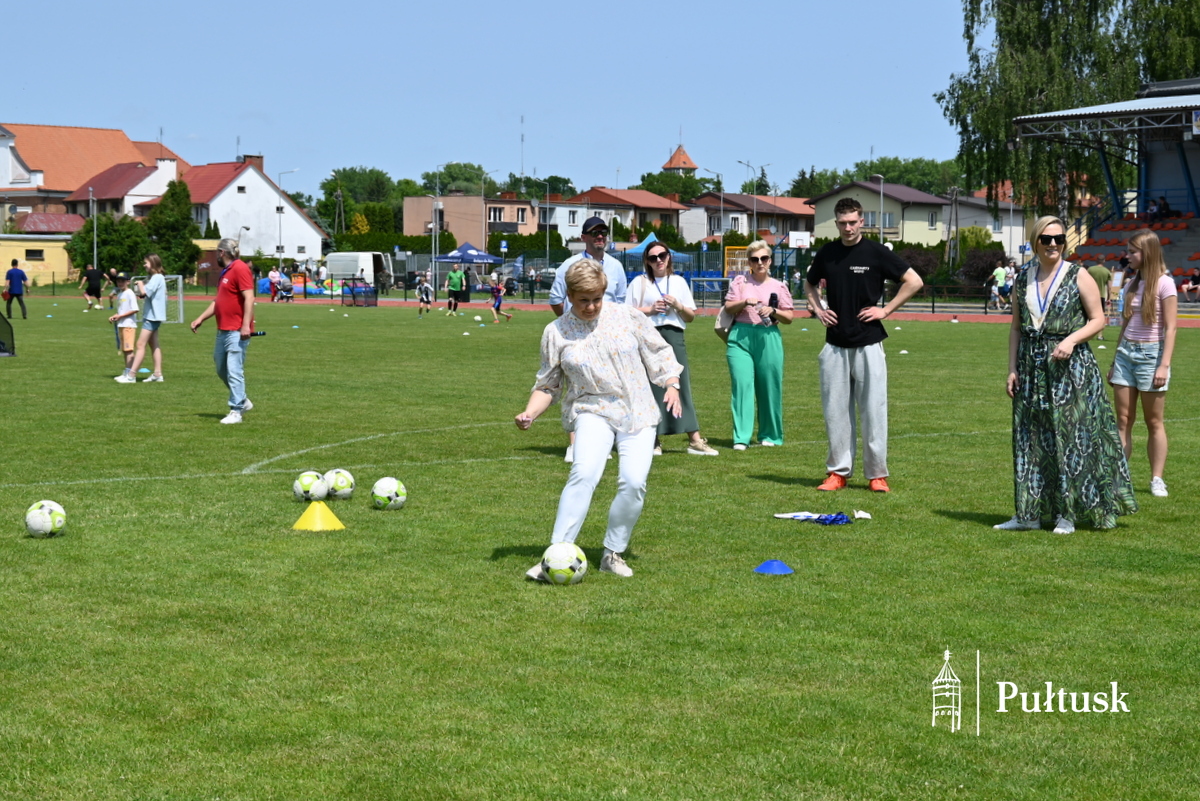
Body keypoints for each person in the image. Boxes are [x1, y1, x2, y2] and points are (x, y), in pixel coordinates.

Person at [515, 259, 683, 580]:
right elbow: (548, 385)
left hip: (637, 410)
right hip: (590, 409)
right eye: (583, 300)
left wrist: (671, 385)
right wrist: (530, 413)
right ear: (569, 295)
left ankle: (612, 553)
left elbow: (659, 353)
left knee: (634, 483)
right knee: (583, 473)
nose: (591, 306)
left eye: (597, 298)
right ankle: (556, 553)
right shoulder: (556, 331)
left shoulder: (627, 316)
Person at [995, 216, 1136, 533]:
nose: (1054, 244)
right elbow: (1016, 327)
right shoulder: (1023, 278)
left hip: (1070, 370)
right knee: (1029, 441)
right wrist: (1012, 369)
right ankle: (1028, 515)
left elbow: (1098, 319)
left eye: (1059, 239)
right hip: (1031, 369)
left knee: (1069, 442)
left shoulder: (1078, 275)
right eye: (1047, 239)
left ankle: (1067, 515)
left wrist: (1070, 340)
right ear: (1036, 241)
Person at [804, 198, 924, 492]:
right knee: (836, 411)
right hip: (834, 343)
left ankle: (876, 475)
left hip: (869, 342)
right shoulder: (828, 253)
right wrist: (818, 308)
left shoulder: (876, 252)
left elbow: (914, 281)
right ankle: (838, 473)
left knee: (873, 409)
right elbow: (809, 284)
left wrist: (885, 310)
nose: (848, 228)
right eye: (842, 223)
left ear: (862, 222)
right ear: (836, 223)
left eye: (853, 222)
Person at [627, 242, 719, 456]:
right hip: (647, 337)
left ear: (669, 257)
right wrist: (649, 310)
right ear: (647, 262)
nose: (658, 260)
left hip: (674, 336)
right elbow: (626, 313)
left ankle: (694, 440)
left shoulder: (678, 282)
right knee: (649, 388)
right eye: (653, 257)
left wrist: (677, 306)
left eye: (662, 255)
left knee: (681, 385)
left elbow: (690, 316)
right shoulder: (639, 282)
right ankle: (653, 440)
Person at [549, 216, 629, 462]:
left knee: (607, 387)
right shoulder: (569, 265)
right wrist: (570, 325)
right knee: (578, 388)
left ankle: (601, 441)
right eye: (594, 232)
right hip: (578, 337)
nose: (600, 236)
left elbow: (622, 302)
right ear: (583, 237)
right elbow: (555, 299)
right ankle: (575, 445)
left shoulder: (615, 266)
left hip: (609, 338)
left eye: (603, 232)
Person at [1108, 229, 1178, 498]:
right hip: (1126, 354)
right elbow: (1125, 324)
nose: (1128, 256)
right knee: (1123, 420)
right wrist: (1116, 361)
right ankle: (1119, 478)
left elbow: (1171, 328)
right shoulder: (1131, 284)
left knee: (1153, 421)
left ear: (1147, 252)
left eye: (1133, 251)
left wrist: (1164, 365)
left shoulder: (1165, 283)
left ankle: (1157, 479)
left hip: (1152, 356)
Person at [723, 241, 794, 450]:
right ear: (749, 262)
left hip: (768, 336)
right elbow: (728, 308)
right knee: (742, 385)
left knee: (770, 386)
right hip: (740, 336)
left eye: (764, 258)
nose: (760, 262)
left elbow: (789, 317)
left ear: (770, 261)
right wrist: (745, 302)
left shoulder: (779, 286)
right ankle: (741, 438)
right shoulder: (740, 282)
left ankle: (770, 435)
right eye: (755, 259)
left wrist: (773, 312)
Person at [189, 238, 255, 424]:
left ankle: (236, 410)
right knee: (221, 368)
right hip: (223, 329)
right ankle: (242, 399)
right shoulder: (226, 271)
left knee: (234, 369)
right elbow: (218, 301)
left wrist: (245, 325)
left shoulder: (240, 268)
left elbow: (249, 298)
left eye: (217, 252)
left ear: (222, 252)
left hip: (236, 330)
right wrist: (200, 318)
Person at [128, 254, 167, 382]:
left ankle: (131, 375)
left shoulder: (157, 277)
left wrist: (140, 284)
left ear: (153, 263)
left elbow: (144, 292)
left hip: (152, 317)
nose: (144, 265)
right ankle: (157, 374)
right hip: (153, 316)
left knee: (140, 344)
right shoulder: (156, 278)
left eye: (146, 263)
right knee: (154, 344)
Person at [109, 273, 139, 382]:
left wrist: (121, 316)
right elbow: (122, 309)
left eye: (122, 281)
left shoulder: (130, 293)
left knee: (129, 350)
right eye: (118, 281)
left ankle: (131, 375)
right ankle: (126, 372)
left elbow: (135, 309)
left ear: (128, 281)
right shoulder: (121, 294)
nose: (120, 283)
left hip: (128, 325)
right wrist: (115, 316)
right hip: (122, 324)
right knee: (125, 350)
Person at [1086, 260, 1112, 337]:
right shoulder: (1107, 271)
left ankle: (1086, 334)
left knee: (1088, 315)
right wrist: (1109, 298)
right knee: (1100, 316)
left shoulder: (1090, 269)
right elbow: (1109, 287)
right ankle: (1100, 335)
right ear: (1104, 261)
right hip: (1101, 295)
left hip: (1090, 294)